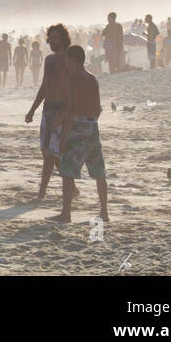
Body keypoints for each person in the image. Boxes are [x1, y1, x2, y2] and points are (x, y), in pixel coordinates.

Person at [50, 44, 109, 224]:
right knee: (98, 171)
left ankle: (66, 214)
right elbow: (98, 108)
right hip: (92, 125)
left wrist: (64, 136)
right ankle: (104, 212)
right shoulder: (92, 79)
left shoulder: (72, 80)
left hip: (77, 127)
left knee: (67, 171)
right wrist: (91, 124)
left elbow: (71, 110)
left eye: (67, 60)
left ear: (73, 61)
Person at [26, 24, 70, 200]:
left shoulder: (69, 59)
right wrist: (33, 109)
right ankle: (68, 188)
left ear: (64, 39)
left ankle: (42, 192)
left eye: (56, 38)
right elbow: (45, 86)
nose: (52, 41)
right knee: (47, 153)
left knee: (52, 153)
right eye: (50, 38)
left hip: (62, 110)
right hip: (48, 109)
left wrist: (65, 113)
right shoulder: (49, 60)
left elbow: (72, 88)